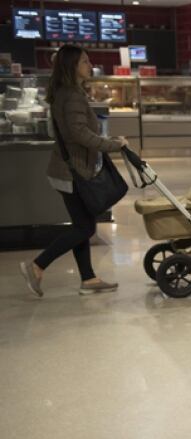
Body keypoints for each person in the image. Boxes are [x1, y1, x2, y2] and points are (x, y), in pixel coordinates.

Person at [20, 45, 129, 298]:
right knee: (84, 228)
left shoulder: (63, 93)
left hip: (66, 169)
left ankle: (88, 279)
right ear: (72, 66)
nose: (89, 65)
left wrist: (108, 140)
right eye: (84, 61)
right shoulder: (72, 96)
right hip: (73, 172)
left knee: (84, 224)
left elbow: (75, 132)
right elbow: (79, 134)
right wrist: (114, 144)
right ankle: (37, 265)